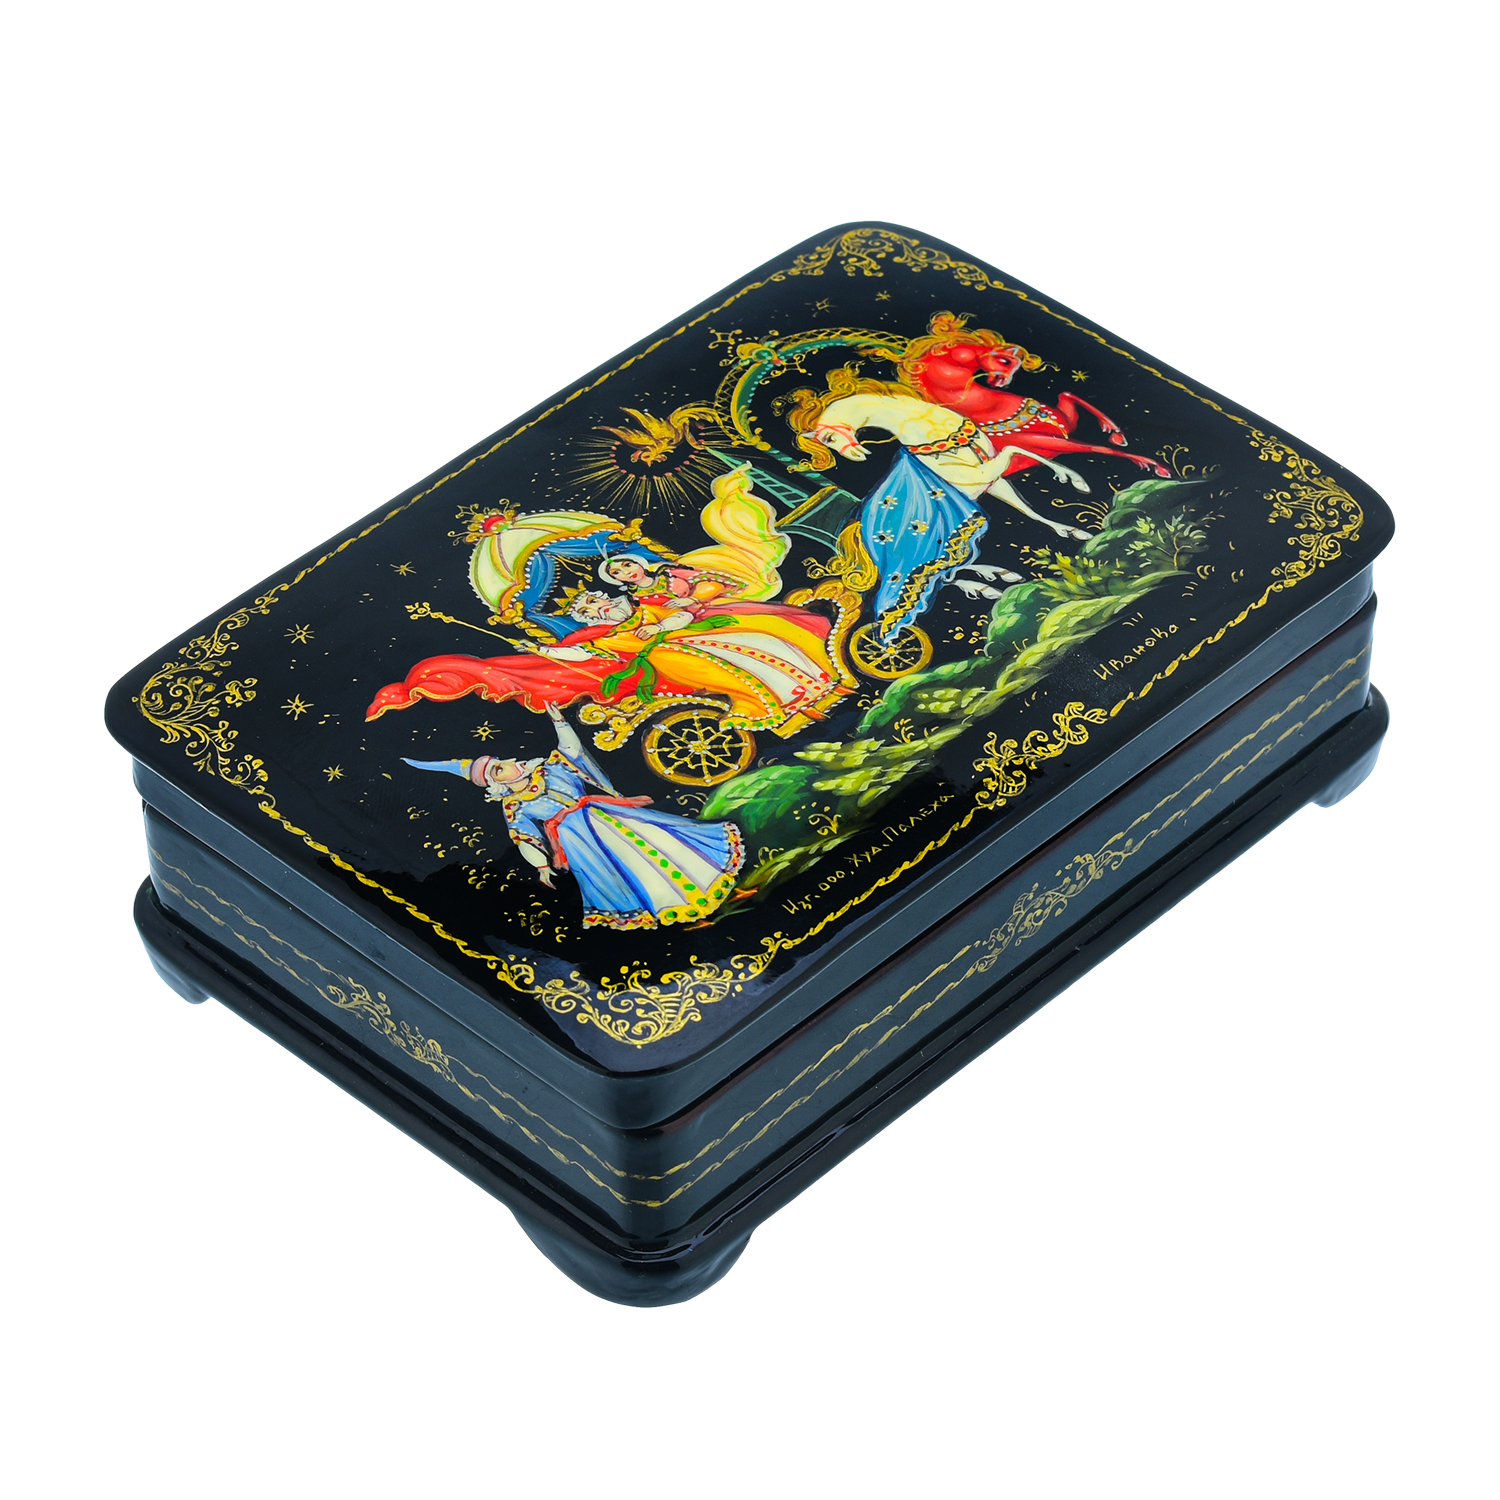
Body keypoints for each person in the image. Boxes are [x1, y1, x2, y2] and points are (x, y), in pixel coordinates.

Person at [404, 705, 745, 930]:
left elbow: (572, 750)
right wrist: (541, 866)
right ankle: (665, 904)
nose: (508, 764)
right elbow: (524, 838)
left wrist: (560, 722)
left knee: (653, 845)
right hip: (578, 842)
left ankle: (700, 879)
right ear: (496, 783)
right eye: (498, 768)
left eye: (500, 761)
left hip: (605, 816)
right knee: (619, 871)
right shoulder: (515, 806)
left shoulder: (550, 770)